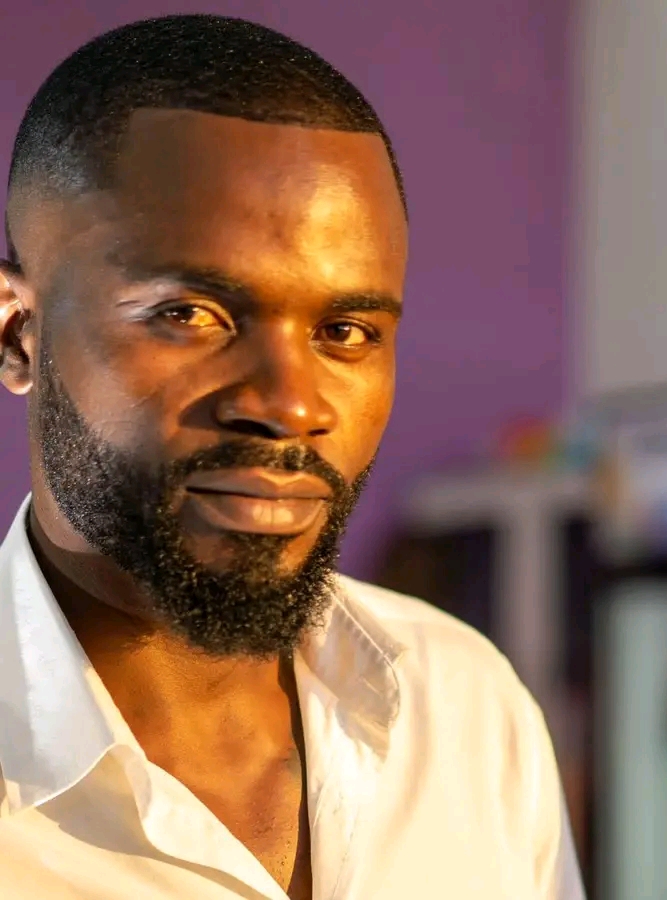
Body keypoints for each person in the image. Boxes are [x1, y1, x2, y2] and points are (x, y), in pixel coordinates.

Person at [0, 13, 585, 900]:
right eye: (189, 315)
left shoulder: (463, 707)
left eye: (344, 331)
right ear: (18, 334)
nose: (289, 406)